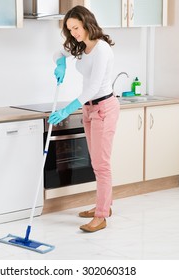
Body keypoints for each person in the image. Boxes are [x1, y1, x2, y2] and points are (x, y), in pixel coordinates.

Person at [48, 5, 119, 233]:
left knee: (101, 165)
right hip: (88, 109)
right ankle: (103, 206)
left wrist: (67, 110)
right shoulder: (80, 46)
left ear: (87, 23)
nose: (74, 33)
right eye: (70, 30)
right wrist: (60, 63)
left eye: (76, 28)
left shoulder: (102, 49)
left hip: (104, 108)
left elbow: (94, 87)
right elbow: (58, 53)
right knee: (96, 163)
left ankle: (101, 216)